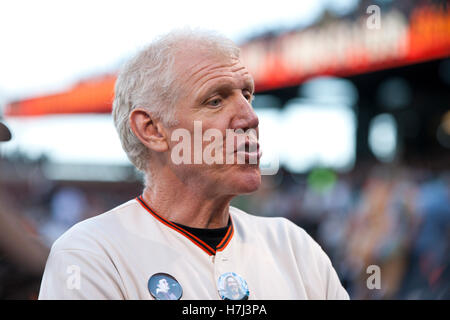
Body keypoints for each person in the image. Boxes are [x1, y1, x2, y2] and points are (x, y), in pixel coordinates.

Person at [38, 29, 349, 300]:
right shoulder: (91, 256)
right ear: (152, 130)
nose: (250, 118)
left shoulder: (294, 248)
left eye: (247, 95)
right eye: (215, 101)